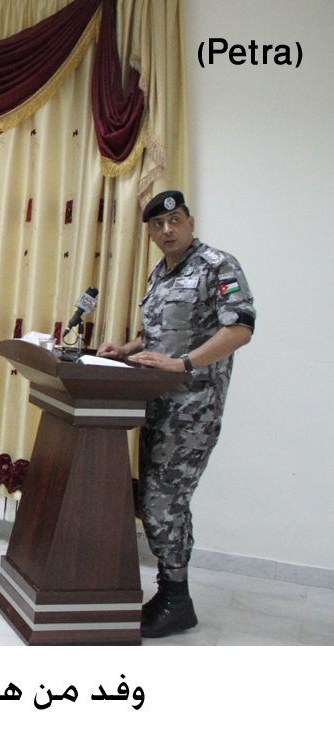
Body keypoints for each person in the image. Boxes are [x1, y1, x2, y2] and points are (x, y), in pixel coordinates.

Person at [97, 190, 255, 638]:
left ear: (189, 222)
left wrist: (183, 364)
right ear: (150, 233)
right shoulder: (161, 273)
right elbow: (157, 334)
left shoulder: (217, 265)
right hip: (156, 404)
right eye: (158, 225)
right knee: (155, 500)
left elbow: (240, 328)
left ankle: (176, 600)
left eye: (175, 221)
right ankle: (172, 594)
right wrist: (124, 350)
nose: (167, 230)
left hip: (193, 408)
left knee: (163, 503)